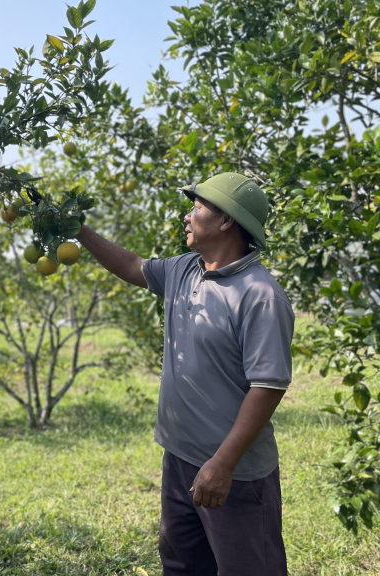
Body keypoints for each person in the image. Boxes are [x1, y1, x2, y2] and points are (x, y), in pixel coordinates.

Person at [76, 173, 293, 576]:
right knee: (183, 566)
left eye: (197, 207)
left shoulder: (259, 294)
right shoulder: (185, 269)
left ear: (226, 221)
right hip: (180, 459)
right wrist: (79, 231)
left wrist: (222, 465)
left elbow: (268, 386)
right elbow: (130, 264)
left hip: (234, 472)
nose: (187, 216)